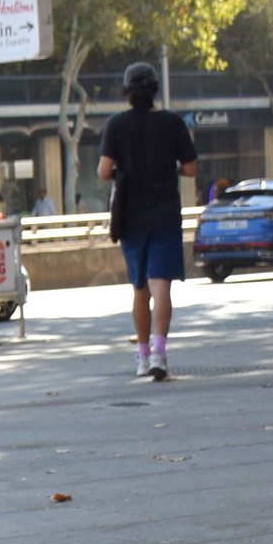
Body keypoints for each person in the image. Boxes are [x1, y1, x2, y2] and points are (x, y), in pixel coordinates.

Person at [97, 61, 197, 380]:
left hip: (130, 217)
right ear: (155, 90)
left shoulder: (117, 125)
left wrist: (124, 172)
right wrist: (171, 169)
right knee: (161, 286)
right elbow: (191, 168)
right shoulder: (172, 123)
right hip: (165, 214)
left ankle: (141, 357)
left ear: (127, 93)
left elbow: (102, 172)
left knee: (139, 288)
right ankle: (160, 355)